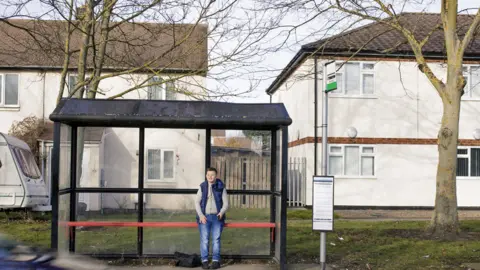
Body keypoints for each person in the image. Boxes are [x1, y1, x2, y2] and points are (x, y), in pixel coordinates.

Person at [195, 167, 229, 269]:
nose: (210, 177)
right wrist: (201, 215)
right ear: (206, 176)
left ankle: (215, 261)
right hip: (204, 217)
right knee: (204, 239)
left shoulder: (221, 187)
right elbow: (196, 202)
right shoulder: (202, 187)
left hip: (217, 217)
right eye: (208, 175)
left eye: (212, 175)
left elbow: (226, 203)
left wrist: (221, 212)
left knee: (216, 239)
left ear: (216, 176)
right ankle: (204, 261)